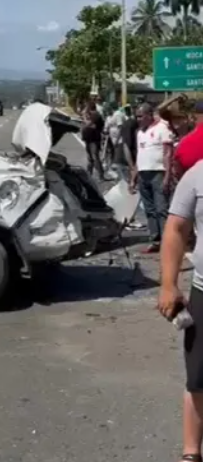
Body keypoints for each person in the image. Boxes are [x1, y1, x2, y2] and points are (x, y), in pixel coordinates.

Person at [158, 162, 203, 462]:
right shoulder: (198, 174)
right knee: (199, 377)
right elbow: (176, 228)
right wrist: (168, 284)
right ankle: (191, 453)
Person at [130, 102, 174, 253]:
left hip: (158, 173)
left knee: (162, 209)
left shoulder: (162, 129)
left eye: (141, 116)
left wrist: (168, 176)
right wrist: (133, 178)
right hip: (143, 174)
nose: (138, 119)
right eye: (136, 116)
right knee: (149, 210)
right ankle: (155, 240)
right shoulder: (140, 132)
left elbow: (168, 153)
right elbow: (139, 156)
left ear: (149, 115)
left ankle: (167, 241)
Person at [81, 101, 105, 180]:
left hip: (94, 139)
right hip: (89, 139)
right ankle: (89, 175)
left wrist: (84, 118)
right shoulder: (92, 115)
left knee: (95, 157)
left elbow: (89, 124)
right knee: (90, 158)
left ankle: (101, 175)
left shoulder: (96, 114)